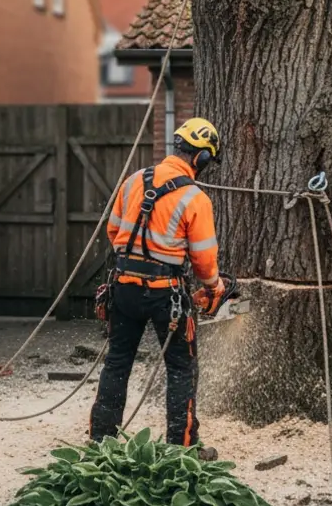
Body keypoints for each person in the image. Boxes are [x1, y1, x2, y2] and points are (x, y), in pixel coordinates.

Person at [88, 117, 228, 459]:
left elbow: (113, 231)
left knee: (117, 362)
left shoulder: (134, 180)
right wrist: (214, 286)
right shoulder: (195, 198)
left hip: (123, 286)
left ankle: (101, 443)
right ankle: (182, 448)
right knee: (181, 369)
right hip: (167, 294)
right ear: (202, 157)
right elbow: (204, 261)